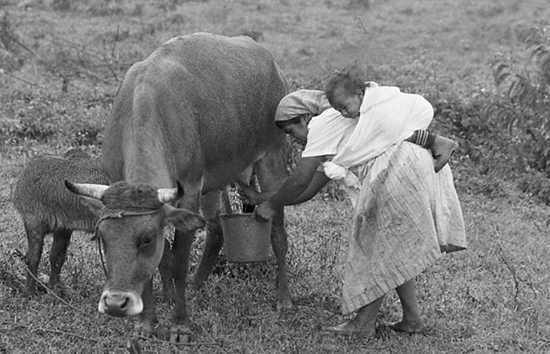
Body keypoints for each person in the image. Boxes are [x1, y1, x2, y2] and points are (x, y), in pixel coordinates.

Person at [250, 66, 467, 337]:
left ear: (305, 117)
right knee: (392, 245)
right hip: (413, 164)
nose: (293, 138)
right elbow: (308, 190)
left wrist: (270, 206)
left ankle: (363, 324)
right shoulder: (347, 123)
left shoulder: (323, 125)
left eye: (291, 129)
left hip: (398, 170)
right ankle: (412, 319)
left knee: (374, 245)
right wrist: (266, 199)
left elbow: (299, 180)